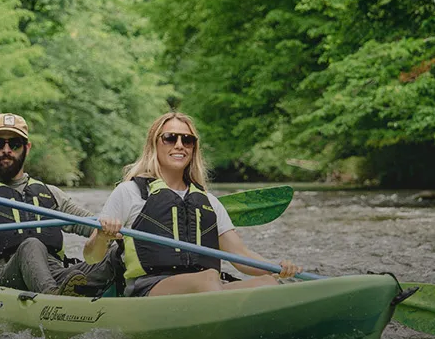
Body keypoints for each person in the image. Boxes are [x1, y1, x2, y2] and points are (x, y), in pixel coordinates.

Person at [83, 111, 301, 297]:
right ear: (154, 144)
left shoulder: (209, 202)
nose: (180, 145)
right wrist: (102, 235)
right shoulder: (129, 192)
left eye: (187, 140)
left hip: (207, 289)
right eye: (170, 138)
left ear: (194, 148)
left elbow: (240, 255)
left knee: (267, 284)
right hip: (149, 289)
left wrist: (275, 268)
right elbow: (91, 257)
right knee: (207, 279)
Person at [0, 113, 120, 296]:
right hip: (6, 277)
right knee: (31, 244)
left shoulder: (51, 194)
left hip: (56, 273)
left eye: (15, 144)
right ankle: (53, 299)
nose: (6, 150)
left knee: (116, 253)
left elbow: (94, 226)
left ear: (27, 148)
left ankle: (122, 295)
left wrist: (107, 230)